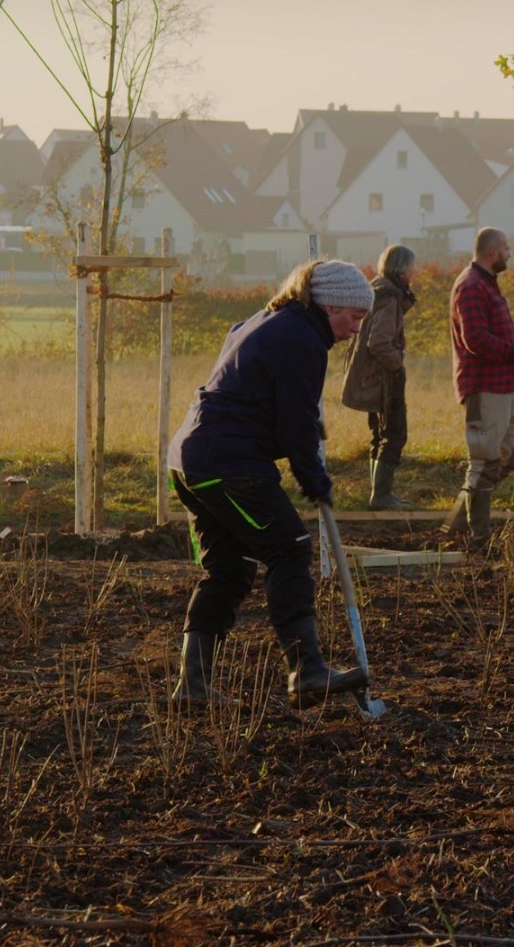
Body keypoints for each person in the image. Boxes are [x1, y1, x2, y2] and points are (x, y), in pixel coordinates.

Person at [165, 259, 375, 710]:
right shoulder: (302, 340)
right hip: (227, 462)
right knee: (290, 548)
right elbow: (296, 423)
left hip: (191, 458)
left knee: (230, 568)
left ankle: (193, 687)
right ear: (329, 304)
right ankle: (308, 670)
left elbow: (274, 401)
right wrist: (314, 480)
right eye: (354, 317)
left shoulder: (265, 321)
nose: (355, 329)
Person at [445, 227, 514, 544]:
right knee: (484, 460)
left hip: (502, 384)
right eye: (507, 249)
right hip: (484, 386)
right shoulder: (471, 287)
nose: (510, 254)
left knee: (512, 450)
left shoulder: (487, 284)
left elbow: (495, 333)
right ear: (492, 252)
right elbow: (476, 340)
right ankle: (478, 535)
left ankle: (460, 517)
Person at [342, 245, 418, 510]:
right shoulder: (390, 297)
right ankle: (381, 495)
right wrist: (397, 364)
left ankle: (380, 493)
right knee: (394, 434)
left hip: (373, 377)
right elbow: (379, 343)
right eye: (411, 267)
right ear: (401, 269)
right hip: (384, 378)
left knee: (379, 433)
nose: (414, 272)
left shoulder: (377, 290)